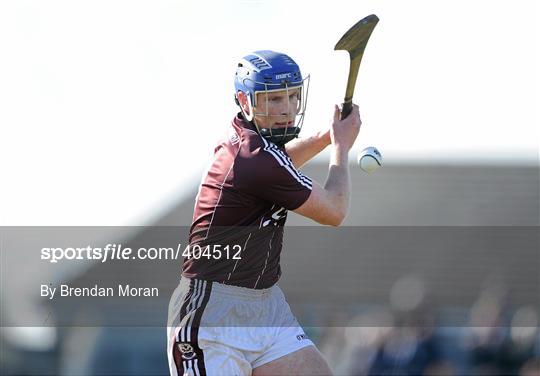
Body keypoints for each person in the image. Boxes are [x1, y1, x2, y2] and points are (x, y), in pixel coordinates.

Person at [168, 50, 361, 376]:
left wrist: (326, 136)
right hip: (213, 315)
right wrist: (342, 148)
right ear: (245, 100)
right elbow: (334, 210)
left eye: (292, 96)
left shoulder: (251, 143)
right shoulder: (255, 161)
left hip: (265, 306)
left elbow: (280, 164)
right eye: (273, 100)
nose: (286, 108)